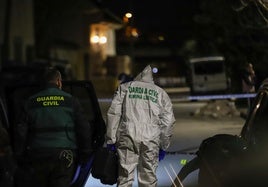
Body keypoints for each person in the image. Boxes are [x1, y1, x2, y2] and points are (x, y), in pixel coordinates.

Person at [14, 67, 93, 187]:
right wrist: (86, 152)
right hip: (65, 155)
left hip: (38, 154)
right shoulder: (71, 101)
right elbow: (84, 129)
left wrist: (19, 155)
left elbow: (20, 132)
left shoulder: (31, 102)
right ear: (59, 82)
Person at [106, 65, 175, 187]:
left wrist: (111, 139)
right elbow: (168, 122)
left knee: (125, 178)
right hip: (150, 139)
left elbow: (114, 114)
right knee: (148, 178)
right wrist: (163, 145)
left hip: (127, 136)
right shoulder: (161, 93)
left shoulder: (125, 88)